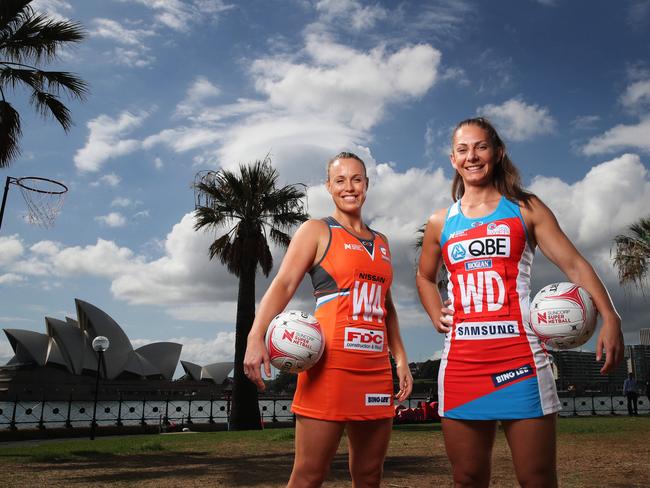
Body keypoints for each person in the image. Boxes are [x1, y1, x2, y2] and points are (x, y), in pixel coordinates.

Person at [416, 117, 624, 487]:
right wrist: (436, 312)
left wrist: (610, 316)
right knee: (466, 478)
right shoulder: (440, 221)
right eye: (463, 149)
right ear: (453, 159)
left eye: (480, 147)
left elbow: (575, 264)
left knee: (537, 479)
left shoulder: (525, 208)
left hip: (521, 361)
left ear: (497, 152)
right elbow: (424, 276)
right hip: (462, 364)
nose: (472, 156)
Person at [244, 152, 412, 488]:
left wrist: (401, 359)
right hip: (329, 369)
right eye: (340, 180)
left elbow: (387, 306)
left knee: (368, 475)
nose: (349, 187)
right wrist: (255, 337)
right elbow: (284, 284)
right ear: (329, 186)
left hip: (375, 371)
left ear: (366, 184)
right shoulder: (317, 230)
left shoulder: (382, 243)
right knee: (309, 475)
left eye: (357, 179)